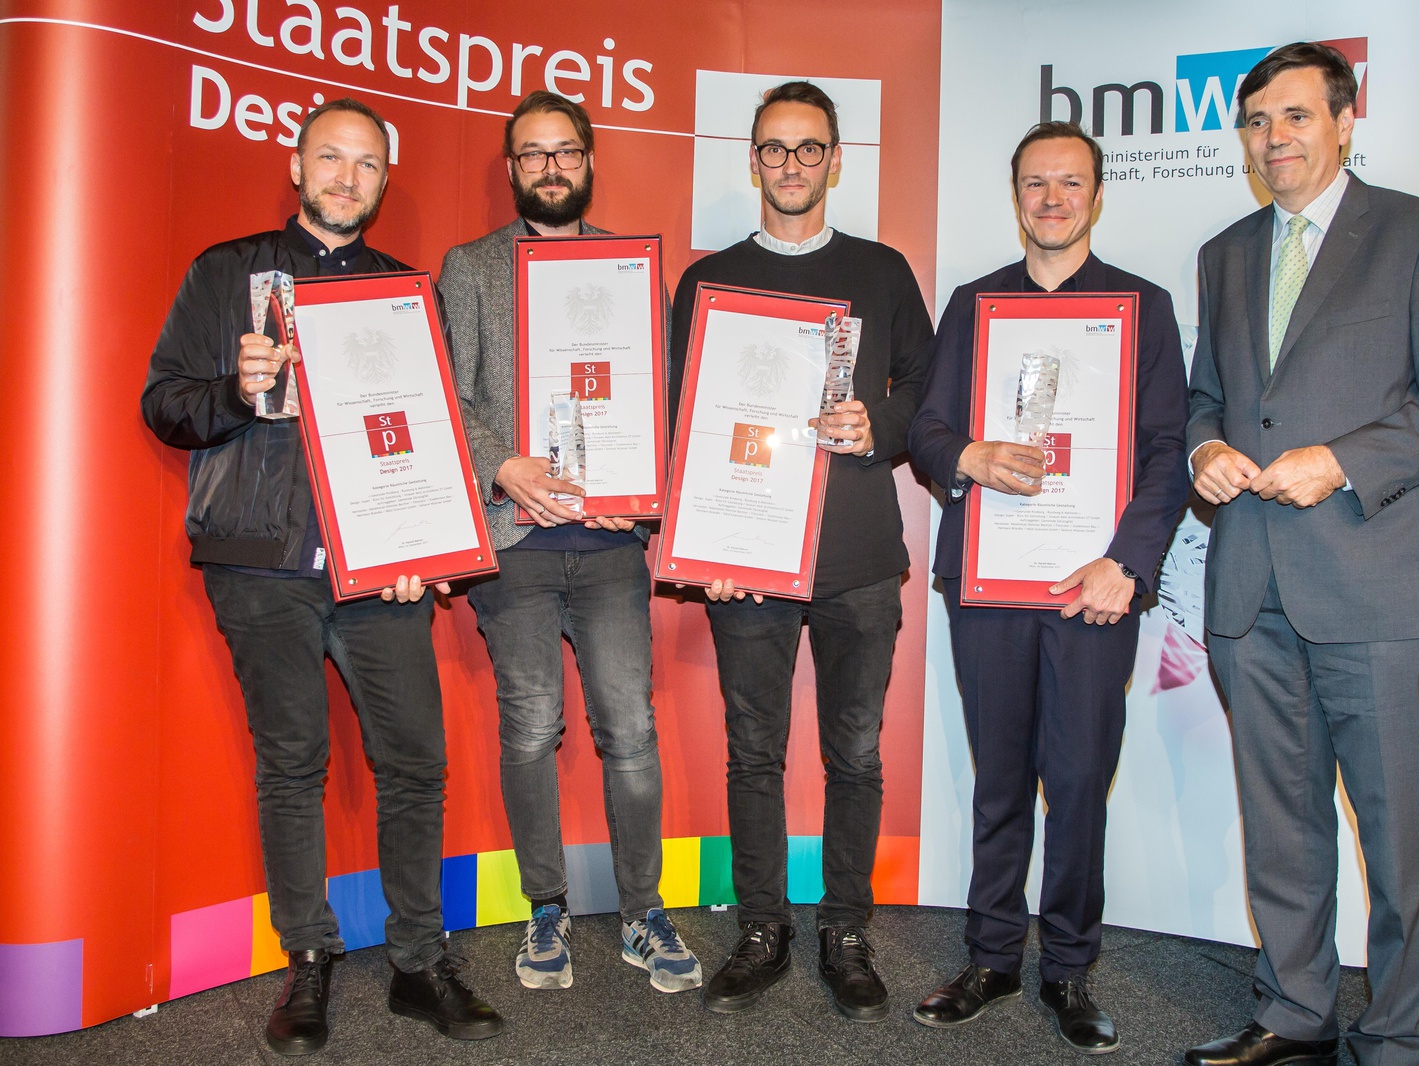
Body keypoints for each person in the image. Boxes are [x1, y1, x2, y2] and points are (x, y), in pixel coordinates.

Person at [140, 98, 503, 1055]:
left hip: (380, 570)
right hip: (260, 563)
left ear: (385, 180)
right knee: (292, 764)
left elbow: (429, 433)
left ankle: (419, 962)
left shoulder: (404, 294)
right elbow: (164, 406)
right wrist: (238, 388)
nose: (348, 178)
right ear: (297, 168)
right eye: (331, 159)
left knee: (415, 763)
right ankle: (308, 961)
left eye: (367, 164)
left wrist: (426, 548)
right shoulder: (225, 273)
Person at [1184, 43, 1419, 1066]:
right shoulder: (1225, 253)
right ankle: (1294, 1011)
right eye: (1256, 122)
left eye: (1294, 116)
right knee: (1281, 827)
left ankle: (1403, 1034)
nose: (1272, 138)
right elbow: (1207, 397)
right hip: (1251, 591)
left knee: (1401, 835)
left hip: (1382, 584)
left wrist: (1342, 461)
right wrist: (1204, 450)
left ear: (1343, 121)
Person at [906, 121, 1190, 1051]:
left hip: (1092, 586)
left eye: (1071, 182)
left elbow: (1166, 452)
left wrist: (1128, 564)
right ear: (1016, 195)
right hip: (990, 581)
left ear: (1097, 196)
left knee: (1076, 781)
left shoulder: (1142, 308)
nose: (1053, 198)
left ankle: (1068, 968)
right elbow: (927, 430)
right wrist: (970, 455)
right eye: (1037, 182)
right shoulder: (973, 305)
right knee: (999, 780)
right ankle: (991, 958)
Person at [667, 80, 933, 1021]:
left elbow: (930, 391)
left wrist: (878, 424)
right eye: (775, 149)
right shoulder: (708, 282)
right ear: (753, 162)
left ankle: (846, 929)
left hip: (857, 555)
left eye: (809, 148)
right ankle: (763, 927)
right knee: (753, 750)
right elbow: (683, 419)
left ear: (835, 160)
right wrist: (704, 544)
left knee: (855, 752)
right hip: (747, 558)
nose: (791, 164)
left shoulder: (882, 271)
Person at [437, 91, 700, 996]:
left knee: (630, 726)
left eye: (566, 152)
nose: (551, 167)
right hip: (515, 543)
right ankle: (544, 908)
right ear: (513, 169)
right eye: (533, 154)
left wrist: (644, 492)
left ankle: (642, 915)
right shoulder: (471, 268)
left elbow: (659, 399)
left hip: (610, 544)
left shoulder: (632, 272)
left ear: (588, 162)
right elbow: (448, 395)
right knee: (530, 724)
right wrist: (503, 466)